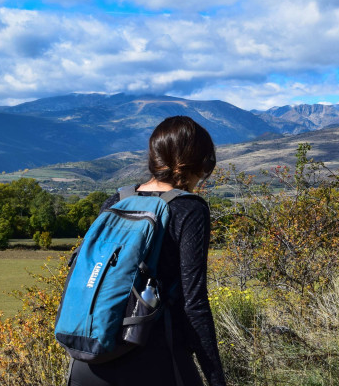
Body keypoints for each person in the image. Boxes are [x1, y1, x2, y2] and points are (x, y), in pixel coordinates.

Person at [69, 116, 226, 386]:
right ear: (199, 163)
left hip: (87, 360)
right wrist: (216, 378)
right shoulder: (189, 209)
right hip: (154, 359)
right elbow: (194, 303)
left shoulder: (116, 201)